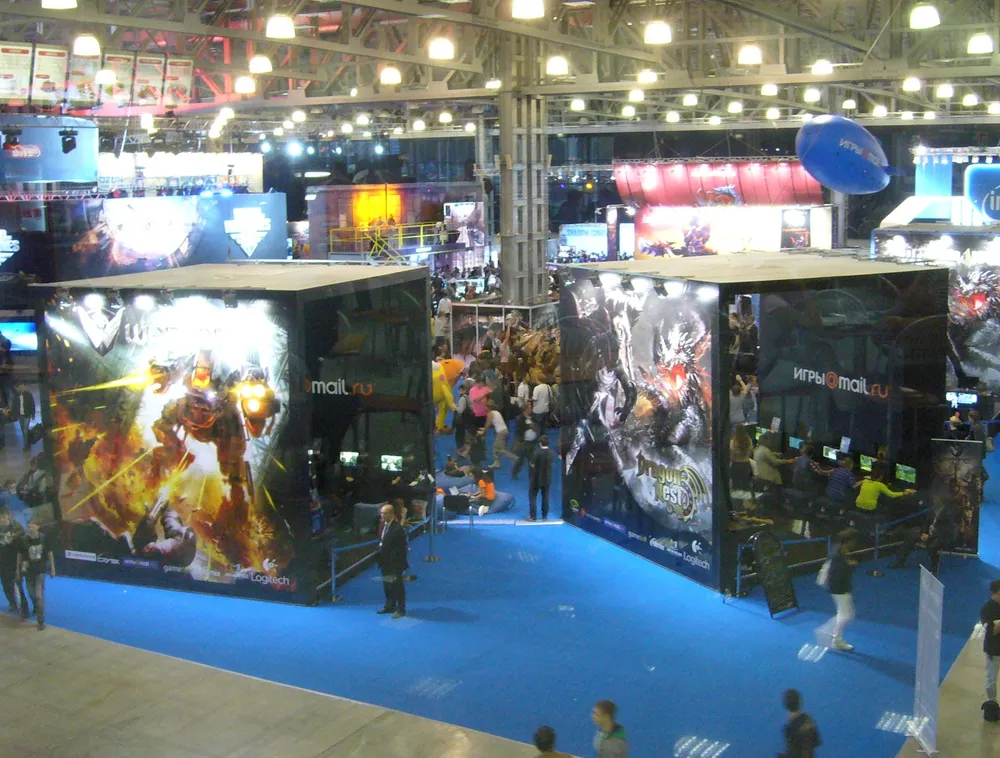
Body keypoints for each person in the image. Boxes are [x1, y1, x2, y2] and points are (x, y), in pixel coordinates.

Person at [891, 485, 957, 573]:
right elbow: (926, 523)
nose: (934, 499)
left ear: (941, 500)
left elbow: (946, 530)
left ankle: (934, 567)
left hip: (941, 536)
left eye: (936, 498)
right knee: (910, 535)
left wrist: (930, 536)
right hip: (929, 533)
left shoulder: (948, 513)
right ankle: (900, 562)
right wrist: (924, 533)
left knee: (933, 546)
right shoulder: (932, 510)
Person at [15, 519, 54, 630]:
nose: (30, 528)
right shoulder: (23, 540)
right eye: (29, 526)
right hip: (28, 571)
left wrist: (52, 568)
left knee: (39, 595)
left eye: (32, 526)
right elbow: (19, 555)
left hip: (40, 570)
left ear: (38, 526)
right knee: (31, 593)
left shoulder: (44, 539)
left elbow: (49, 553)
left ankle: (40, 621)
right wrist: (18, 570)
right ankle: (36, 606)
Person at [825, 530, 856, 652]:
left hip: (838, 587)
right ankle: (836, 640)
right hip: (839, 588)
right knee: (846, 614)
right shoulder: (839, 555)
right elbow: (839, 574)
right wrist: (850, 566)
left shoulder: (839, 551)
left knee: (845, 614)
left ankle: (832, 634)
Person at [376, 503, 407, 618]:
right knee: (387, 586)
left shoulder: (397, 528)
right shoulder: (383, 525)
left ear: (391, 514)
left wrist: (396, 563)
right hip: (385, 562)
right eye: (381, 513)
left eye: (385, 513)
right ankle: (389, 606)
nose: (382, 515)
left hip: (395, 564)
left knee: (397, 587)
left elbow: (402, 548)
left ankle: (401, 609)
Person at [779, 689, 821, 758]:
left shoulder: (791, 727)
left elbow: (794, 751)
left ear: (785, 704)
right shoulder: (808, 720)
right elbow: (815, 742)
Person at [0, 507, 24, 613]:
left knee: (17, 583)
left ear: (8, 516)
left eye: (3, 517)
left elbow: (22, 538)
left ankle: (23, 606)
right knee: (6, 584)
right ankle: (12, 603)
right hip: (2, 561)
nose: (1, 520)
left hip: (14, 560)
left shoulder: (16, 526)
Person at [981, 580, 1000, 704]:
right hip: (994, 649)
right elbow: (992, 631)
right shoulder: (987, 609)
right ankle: (992, 703)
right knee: (991, 678)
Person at [529, 435, 556, 521]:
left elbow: (532, 464)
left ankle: (533, 516)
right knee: (545, 497)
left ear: (540, 443)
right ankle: (544, 516)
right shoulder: (552, 453)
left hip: (536, 478)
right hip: (547, 478)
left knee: (533, 496)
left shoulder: (537, 453)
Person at [484, 401, 517, 469]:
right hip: (504, 430)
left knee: (499, 449)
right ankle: (497, 462)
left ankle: (515, 458)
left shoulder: (490, 413)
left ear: (488, 407)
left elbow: (488, 424)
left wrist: (483, 430)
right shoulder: (497, 412)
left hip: (501, 432)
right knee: (496, 447)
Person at [511, 408, 539, 480]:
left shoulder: (533, 417)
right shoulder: (520, 419)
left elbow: (536, 428)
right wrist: (529, 425)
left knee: (531, 460)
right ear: (525, 410)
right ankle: (514, 472)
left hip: (532, 443)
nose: (531, 409)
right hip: (524, 443)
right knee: (521, 460)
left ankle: (532, 476)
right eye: (529, 408)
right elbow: (519, 431)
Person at [9, 381, 35, 452]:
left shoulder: (29, 395)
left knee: (25, 430)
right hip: (20, 416)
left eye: (23, 387)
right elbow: (14, 407)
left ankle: (26, 446)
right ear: (18, 388)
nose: (22, 388)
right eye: (20, 387)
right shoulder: (16, 396)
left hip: (27, 415)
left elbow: (32, 404)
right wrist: (13, 415)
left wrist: (33, 414)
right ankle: (27, 443)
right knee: (23, 431)